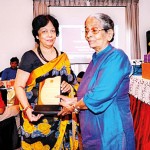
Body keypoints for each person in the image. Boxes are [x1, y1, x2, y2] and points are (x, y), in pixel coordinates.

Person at [57, 13, 135, 150]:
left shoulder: (117, 57)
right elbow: (87, 91)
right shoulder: (95, 59)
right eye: (86, 30)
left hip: (111, 128)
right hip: (91, 130)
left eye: (94, 30)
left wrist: (74, 106)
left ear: (109, 33)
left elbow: (100, 94)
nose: (88, 35)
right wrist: (74, 100)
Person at [14, 14, 79, 150]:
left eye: (53, 31)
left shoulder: (63, 57)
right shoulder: (29, 57)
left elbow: (74, 83)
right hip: (36, 117)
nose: (49, 35)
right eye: (44, 31)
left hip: (61, 116)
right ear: (37, 35)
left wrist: (69, 87)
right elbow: (18, 86)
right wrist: (27, 109)